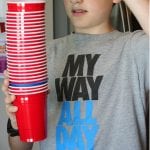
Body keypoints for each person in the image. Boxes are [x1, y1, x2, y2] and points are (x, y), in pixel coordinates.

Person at [1, 0, 149, 149]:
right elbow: (19, 147)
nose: (75, 0)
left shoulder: (135, 48)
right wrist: (17, 125)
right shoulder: (43, 54)